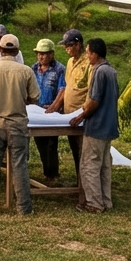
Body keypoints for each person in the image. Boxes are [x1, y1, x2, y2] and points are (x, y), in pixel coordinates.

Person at [0, 34, 39, 215]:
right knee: (19, 164)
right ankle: (24, 208)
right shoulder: (26, 71)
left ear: (0, 50)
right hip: (17, 123)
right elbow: (34, 96)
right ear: (17, 51)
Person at [70, 38, 120, 213]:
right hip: (109, 126)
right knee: (104, 166)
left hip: (97, 126)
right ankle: (106, 201)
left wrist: (81, 115)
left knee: (89, 165)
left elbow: (94, 101)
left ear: (95, 54)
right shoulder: (111, 71)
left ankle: (94, 203)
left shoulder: (98, 72)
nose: (87, 55)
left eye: (88, 52)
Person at [46, 28, 91, 178]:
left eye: (70, 45)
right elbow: (66, 87)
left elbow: (91, 91)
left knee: (84, 152)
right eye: (65, 46)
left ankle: (85, 186)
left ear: (78, 45)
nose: (67, 49)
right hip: (69, 115)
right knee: (75, 151)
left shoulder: (88, 63)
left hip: (81, 115)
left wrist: (84, 113)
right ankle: (80, 182)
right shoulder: (70, 62)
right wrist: (54, 106)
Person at [30, 38, 68, 187]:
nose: (41, 57)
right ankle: (47, 171)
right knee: (40, 142)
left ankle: (52, 173)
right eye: (39, 54)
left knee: (52, 143)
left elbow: (62, 89)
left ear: (52, 54)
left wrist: (54, 106)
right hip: (36, 110)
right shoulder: (33, 68)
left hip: (53, 112)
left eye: (44, 54)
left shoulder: (59, 69)